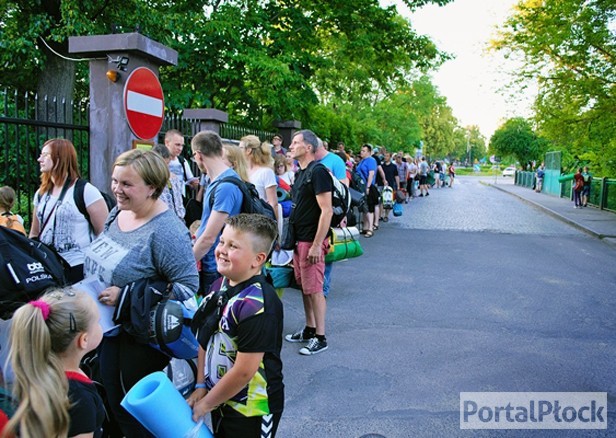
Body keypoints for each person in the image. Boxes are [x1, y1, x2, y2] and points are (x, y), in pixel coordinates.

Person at [83, 149, 199, 437]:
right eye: (114, 181)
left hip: (139, 338)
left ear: (152, 188)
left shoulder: (167, 231)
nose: (116, 190)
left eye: (126, 184)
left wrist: (126, 296)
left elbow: (187, 287)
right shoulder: (117, 212)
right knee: (110, 400)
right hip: (108, 328)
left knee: (132, 413)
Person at [188, 214, 284, 437]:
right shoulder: (218, 285)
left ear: (257, 259)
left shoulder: (258, 304)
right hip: (220, 399)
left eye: (233, 246)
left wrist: (207, 404)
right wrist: (201, 384)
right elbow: (205, 336)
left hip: (252, 408)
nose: (222, 250)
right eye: (222, 241)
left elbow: (244, 371)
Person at [4, 288, 105, 438]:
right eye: (97, 322)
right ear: (83, 340)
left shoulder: (38, 374)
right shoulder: (78, 399)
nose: (99, 325)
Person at [29, 138, 109, 283]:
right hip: (47, 267)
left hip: (77, 268)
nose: (39, 159)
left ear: (60, 158)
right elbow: (34, 232)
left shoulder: (85, 190)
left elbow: (104, 234)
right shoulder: (41, 193)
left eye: (45, 155)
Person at [284, 130, 333, 355]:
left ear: (309, 147)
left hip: (310, 240)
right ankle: (309, 329)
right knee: (305, 288)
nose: (290, 146)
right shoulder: (301, 173)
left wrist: (316, 244)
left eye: (296, 142)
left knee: (314, 289)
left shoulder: (319, 172)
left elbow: (327, 211)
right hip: (299, 239)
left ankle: (320, 337)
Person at [192, 130, 243, 295]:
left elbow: (209, 237)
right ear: (221, 151)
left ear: (198, 156)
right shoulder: (218, 181)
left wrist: (185, 264)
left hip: (215, 266)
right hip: (213, 261)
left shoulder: (224, 187)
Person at [315, 137, 348, 299]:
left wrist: (343, 214)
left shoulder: (335, 161)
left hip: (329, 212)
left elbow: (344, 188)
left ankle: (323, 289)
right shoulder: (309, 161)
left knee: (326, 250)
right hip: (311, 214)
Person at [241, 135, 280, 223]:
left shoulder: (266, 172)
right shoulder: (240, 171)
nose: (238, 151)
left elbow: (273, 204)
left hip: (259, 222)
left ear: (248, 150)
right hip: (243, 221)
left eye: (240, 148)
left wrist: (274, 228)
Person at [152, 144, 186, 220]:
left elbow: (179, 201)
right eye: (162, 164)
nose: (165, 168)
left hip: (178, 220)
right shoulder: (150, 180)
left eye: (167, 164)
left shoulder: (173, 178)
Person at [165, 129, 199, 199]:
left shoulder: (183, 161)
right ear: (167, 143)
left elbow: (191, 183)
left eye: (182, 145)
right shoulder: (157, 161)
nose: (180, 148)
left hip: (180, 201)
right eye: (177, 145)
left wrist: (194, 184)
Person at [356, 144, 379, 238]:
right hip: (362, 186)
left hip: (368, 186)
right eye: (361, 150)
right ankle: (365, 227)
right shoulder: (363, 161)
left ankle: (370, 228)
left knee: (369, 207)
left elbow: (371, 174)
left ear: (369, 152)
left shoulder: (371, 160)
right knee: (364, 206)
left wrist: (368, 187)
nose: (361, 152)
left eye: (364, 151)